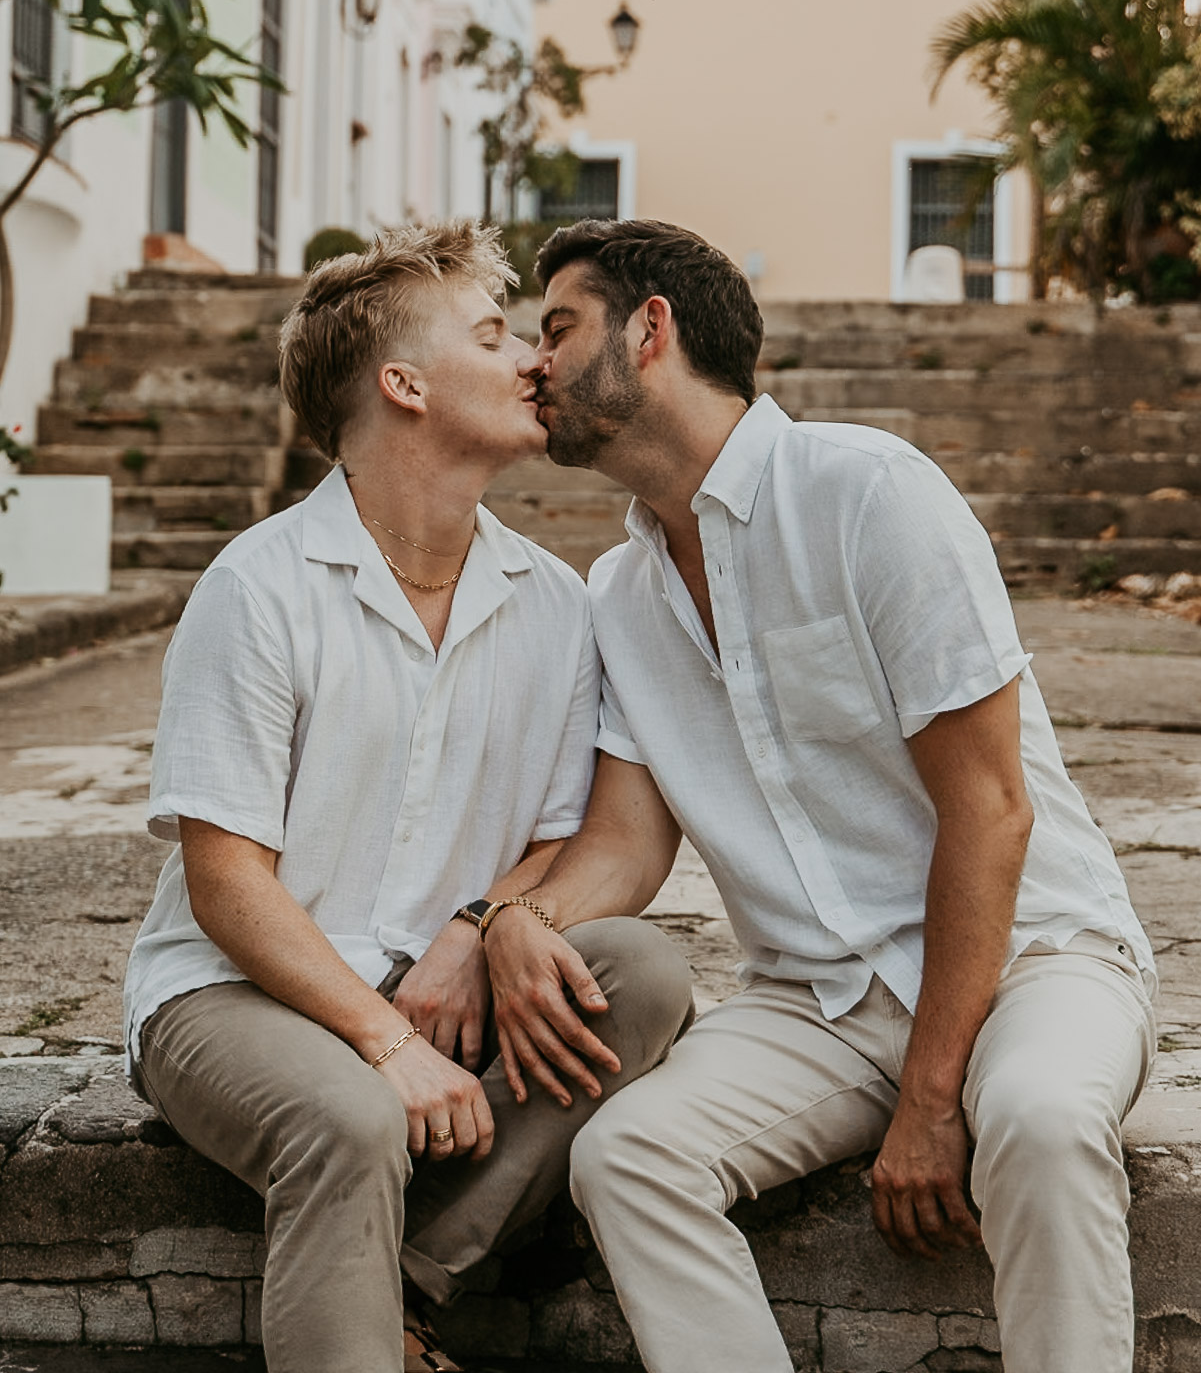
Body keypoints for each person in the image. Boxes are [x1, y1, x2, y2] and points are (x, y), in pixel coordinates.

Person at [479, 217, 1158, 1373]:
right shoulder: (622, 593)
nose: (531, 364)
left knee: (1039, 1125)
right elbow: (628, 844)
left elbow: (990, 812)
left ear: (651, 332)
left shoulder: (869, 494)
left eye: (558, 328)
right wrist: (512, 920)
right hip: (820, 1002)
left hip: (1029, 958)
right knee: (626, 1156)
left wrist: (934, 1098)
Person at [122, 221, 692, 1373]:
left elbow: (561, 843)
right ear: (404, 384)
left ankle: (398, 1287)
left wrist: (476, 930)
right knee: (351, 1117)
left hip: (442, 985)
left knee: (640, 977)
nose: (536, 360)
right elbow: (226, 883)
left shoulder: (554, 602)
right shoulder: (262, 586)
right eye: (494, 336)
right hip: (234, 993)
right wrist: (384, 1039)